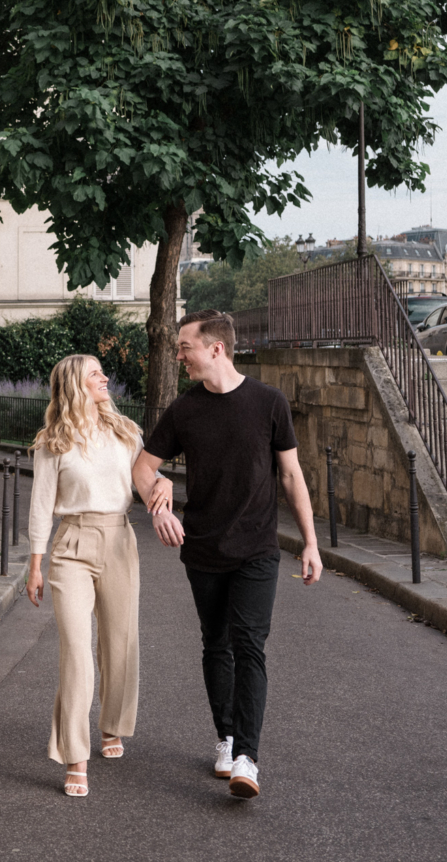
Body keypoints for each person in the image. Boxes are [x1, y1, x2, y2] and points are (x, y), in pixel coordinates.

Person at [132, 308, 322, 800]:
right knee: (216, 643)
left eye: (184, 347)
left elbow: (291, 476)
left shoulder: (268, 403)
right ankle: (226, 737)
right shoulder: (185, 410)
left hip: (258, 548)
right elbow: (142, 468)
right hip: (202, 548)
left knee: (249, 644)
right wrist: (159, 504)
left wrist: (311, 542)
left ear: (215, 348)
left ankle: (247, 758)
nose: (178, 357)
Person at [25, 353, 143, 799]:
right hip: (71, 546)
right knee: (76, 649)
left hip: (118, 540)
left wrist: (163, 489)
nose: (105, 377)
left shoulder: (125, 432)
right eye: (96, 373)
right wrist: (35, 565)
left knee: (120, 641)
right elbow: (40, 505)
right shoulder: (53, 442)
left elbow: (145, 479)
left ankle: (112, 724)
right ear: (76, 383)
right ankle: (76, 754)